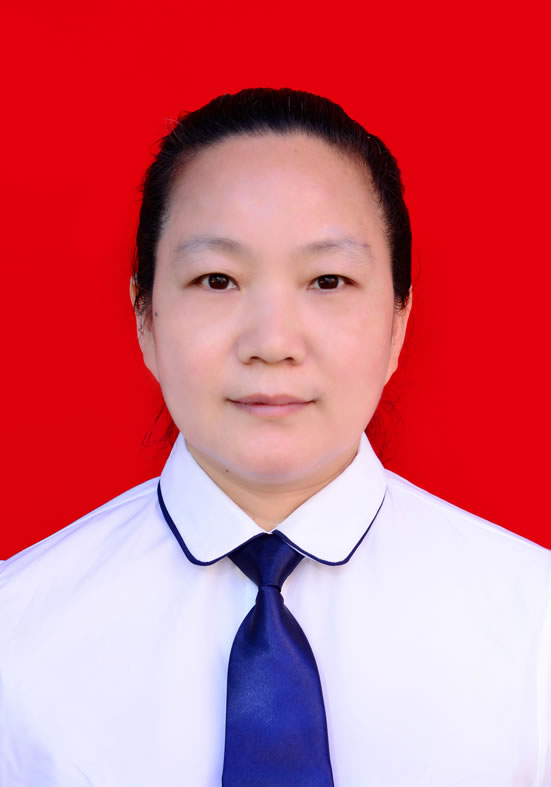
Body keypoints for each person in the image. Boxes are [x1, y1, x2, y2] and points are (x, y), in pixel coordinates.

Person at [1, 87, 550, 787]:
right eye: (217, 279)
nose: (272, 342)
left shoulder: (534, 626)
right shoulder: (16, 636)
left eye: (327, 280)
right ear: (145, 316)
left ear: (398, 322)